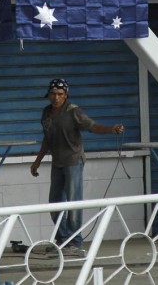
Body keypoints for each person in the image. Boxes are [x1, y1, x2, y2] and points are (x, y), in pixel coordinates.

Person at [30, 78, 124, 257]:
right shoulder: (46, 113)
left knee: (74, 203)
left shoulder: (74, 111)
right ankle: (62, 240)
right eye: (53, 94)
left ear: (65, 95)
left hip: (73, 161)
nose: (56, 97)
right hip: (57, 162)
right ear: (48, 95)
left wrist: (110, 129)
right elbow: (47, 139)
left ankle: (76, 242)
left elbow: (92, 126)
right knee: (54, 204)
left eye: (60, 94)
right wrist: (37, 161)